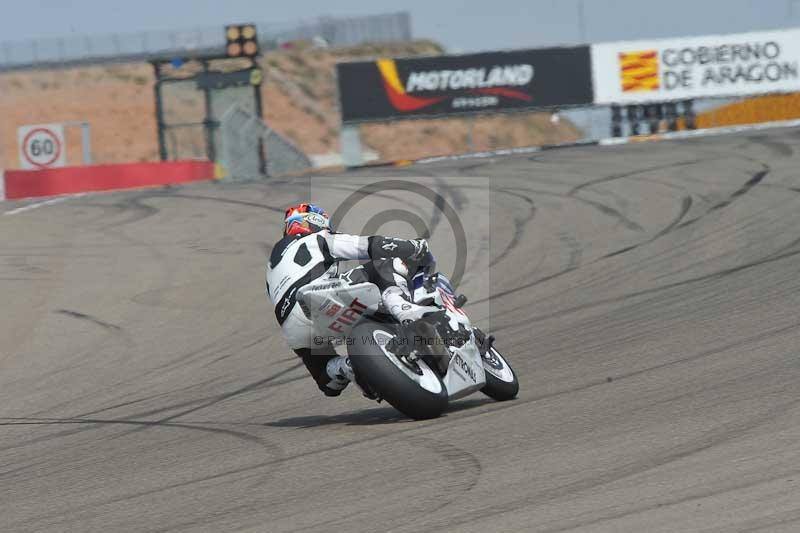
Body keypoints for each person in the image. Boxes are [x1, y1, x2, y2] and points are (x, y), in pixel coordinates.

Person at [266, 203, 439, 397]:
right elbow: (370, 245)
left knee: (327, 380)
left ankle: (348, 366)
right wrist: (412, 246)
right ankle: (407, 314)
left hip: (292, 326)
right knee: (384, 266)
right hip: (316, 294)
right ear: (316, 221)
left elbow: (329, 389)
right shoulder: (317, 238)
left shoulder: (271, 268)